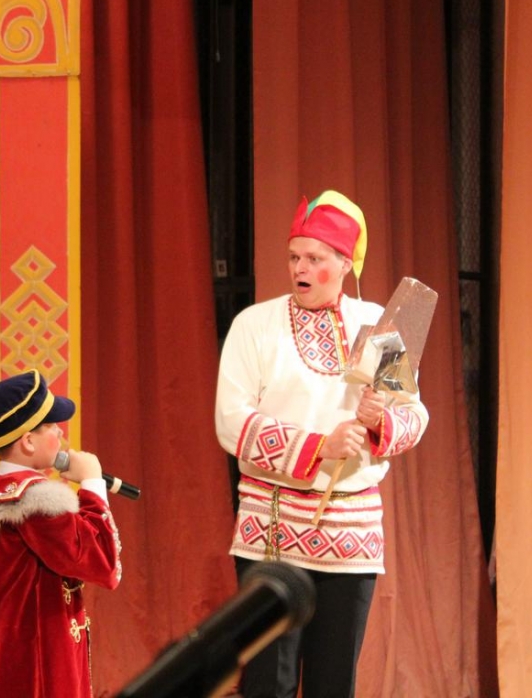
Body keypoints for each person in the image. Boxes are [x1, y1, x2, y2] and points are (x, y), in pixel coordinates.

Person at [214, 190, 430, 698]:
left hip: (351, 535)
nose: (300, 268)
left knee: (333, 684)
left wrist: (380, 423)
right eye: (294, 257)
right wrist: (319, 445)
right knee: (267, 683)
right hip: (272, 528)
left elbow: (414, 414)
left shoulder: (378, 327)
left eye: (314, 259)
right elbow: (230, 421)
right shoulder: (255, 325)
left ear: (345, 264)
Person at [0, 370, 123, 698]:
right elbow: (101, 562)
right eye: (53, 426)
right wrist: (92, 484)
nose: (60, 432)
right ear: (28, 441)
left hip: (8, 654)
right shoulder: (35, 501)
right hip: (38, 661)